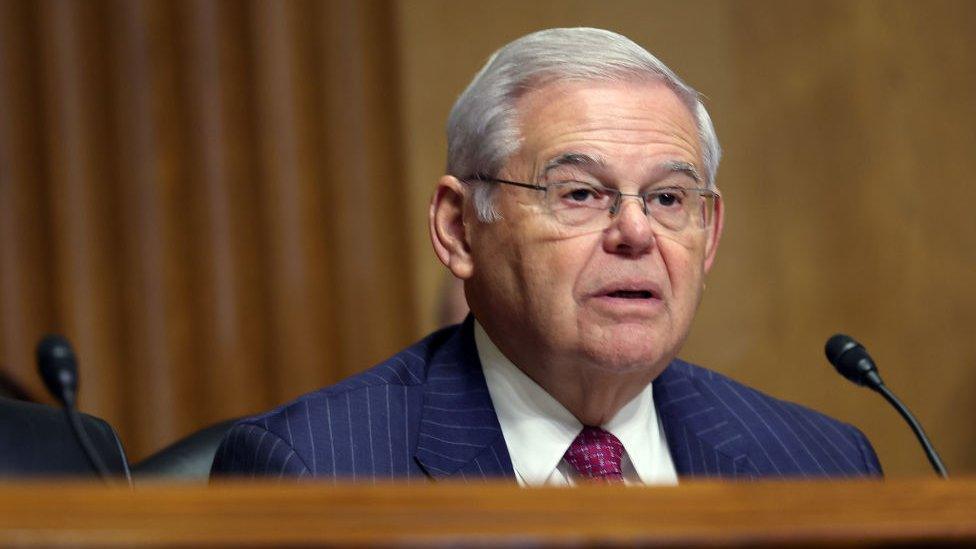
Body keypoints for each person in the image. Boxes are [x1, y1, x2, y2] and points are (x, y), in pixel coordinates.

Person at [212, 28, 881, 484]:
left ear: (710, 236)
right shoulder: (317, 469)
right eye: (582, 192)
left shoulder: (821, 462)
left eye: (670, 198)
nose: (635, 232)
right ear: (458, 228)